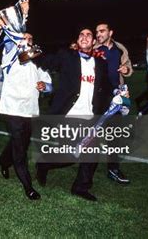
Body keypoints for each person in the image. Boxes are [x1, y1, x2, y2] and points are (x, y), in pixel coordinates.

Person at [35, 27, 111, 202]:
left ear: (93, 42)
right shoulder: (67, 56)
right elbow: (46, 62)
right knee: (70, 155)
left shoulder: (100, 63)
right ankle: (44, 163)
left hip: (90, 116)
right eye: (81, 35)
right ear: (77, 40)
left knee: (92, 153)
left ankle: (80, 187)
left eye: (88, 35)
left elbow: (105, 87)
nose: (84, 37)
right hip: (69, 115)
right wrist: (31, 51)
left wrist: (119, 93)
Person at [0, 32, 52, 201]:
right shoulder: (10, 56)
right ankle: (28, 187)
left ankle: (4, 161)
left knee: (20, 141)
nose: (28, 41)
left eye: (30, 38)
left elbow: (49, 86)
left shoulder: (38, 62)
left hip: (31, 110)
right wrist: (16, 33)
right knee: (21, 149)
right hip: (12, 109)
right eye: (23, 38)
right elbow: (7, 41)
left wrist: (45, 86)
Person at [94, 22, 132, 184]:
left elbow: (128, 67)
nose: (98, 34)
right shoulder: (93, 47)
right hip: (96, 96)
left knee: (114, 135)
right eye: (97, 32)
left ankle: (113, 169)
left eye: (102, 31)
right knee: (91, 132)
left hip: (115, 97)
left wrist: (126, 70)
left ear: (111, 32)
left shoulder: (120, 48)